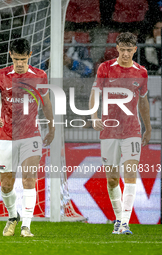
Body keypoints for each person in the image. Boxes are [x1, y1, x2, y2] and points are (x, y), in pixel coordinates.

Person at [0, 38, 55, 237]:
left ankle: (26, 226)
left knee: (29, 178)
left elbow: (47, 104)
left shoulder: (40, 76)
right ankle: (12, 216)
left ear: (30, 56)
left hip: (31, 135)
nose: (20, 63)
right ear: (10, 55)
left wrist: (51, 128)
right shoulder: (1, 75)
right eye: (16, 59)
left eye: (23, 59)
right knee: (6, 185)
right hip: (7, 135)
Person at [89, 32, 151, 234]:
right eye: (122, 49)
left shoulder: (141, 72)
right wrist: (94, 117)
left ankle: (125, 222)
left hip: (132, 130)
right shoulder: (105, 68)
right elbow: (95, 93)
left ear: (135, 49)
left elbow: (143, 101)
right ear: (117, 48)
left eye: (129, 50)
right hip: (109, 131)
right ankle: (118, 219)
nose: (125, 53)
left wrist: (147, 127)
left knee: (131, 174)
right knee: (113, 178)